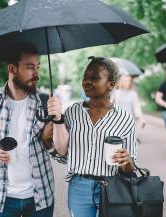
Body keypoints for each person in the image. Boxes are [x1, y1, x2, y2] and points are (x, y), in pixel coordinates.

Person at [0, 43, 58, 217]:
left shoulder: (47, 103)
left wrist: (54, 129)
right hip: (1, 198)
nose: (36, 74)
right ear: (12, 68)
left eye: (37, 67)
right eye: (30, 67)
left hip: (40, 196)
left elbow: (61, 152)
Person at [47, 56, 138, 217]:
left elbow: (131, 168)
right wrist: (48, 143)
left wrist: (128, 162)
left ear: (111, 84)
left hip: (112, 186)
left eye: (94, 78)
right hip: (79, 187)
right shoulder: (72, 113)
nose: (86, 81)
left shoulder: (125, 120)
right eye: (85, 77)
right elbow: (65, 155)